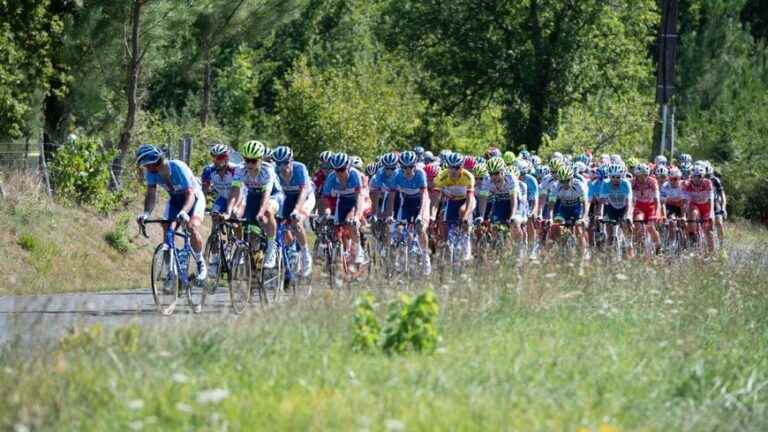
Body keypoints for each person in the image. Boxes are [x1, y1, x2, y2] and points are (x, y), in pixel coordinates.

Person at [135, 144, 207, 280]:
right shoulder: (151, 173)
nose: (145, 168)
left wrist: (185, 212)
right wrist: (146, 213)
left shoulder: (177, 167)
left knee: (191, 226)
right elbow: (151, 195)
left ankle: (200, 262)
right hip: (176, 199)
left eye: (146, 165)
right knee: (167, 227)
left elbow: (190, 195)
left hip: (194, 198)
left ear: (155, 162)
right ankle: (171, 270)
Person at [221, 140, 283, 268]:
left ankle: (272, 249)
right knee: (248, 228)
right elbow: (235, 191)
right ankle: (252, 262)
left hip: (273, 195)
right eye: (247, 160)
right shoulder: (240, 169)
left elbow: (266, 196)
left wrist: (260, 213)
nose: (249, 164)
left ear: (260, 159)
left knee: (266, 212)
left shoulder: (268, 170)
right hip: (253, 195)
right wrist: (229, 211)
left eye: (253, 161)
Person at [272, 146, 315, 276]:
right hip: (288, 197)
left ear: (291, 160)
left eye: (285, 162)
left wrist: (297, 210)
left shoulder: (299, 168)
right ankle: (292, 249)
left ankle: (305, 254)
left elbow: (304, 192)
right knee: (281, 224)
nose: (282, 166)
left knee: (296, 220)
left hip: (305, 196)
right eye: (279, 163)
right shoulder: (274, 171)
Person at [388, 151, 431, 274]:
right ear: (400, 167)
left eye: (411, 166)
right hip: (406, 202)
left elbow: (424, 196)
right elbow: (392, 197)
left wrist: (420, 215)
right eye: (405, 167)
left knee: (420, 227)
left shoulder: (420, 174)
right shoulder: (397, 175)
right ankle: (401, 260)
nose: (408, 170)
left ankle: (425, 256)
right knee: (399, 228)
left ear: (415, 165)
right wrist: (391, 214)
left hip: (421, 202)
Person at [320, 152, 367, 264]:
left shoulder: (355, 175)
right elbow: (325, 199)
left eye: (342, 169)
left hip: (354, 202)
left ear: (348, 167)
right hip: (342, 202)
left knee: (350, 222)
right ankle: (344, 251)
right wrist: (326, 211)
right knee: (336, 227)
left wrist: (357, 216)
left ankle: (358, 249)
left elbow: (359, 198)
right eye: (337, 170)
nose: (339, 173)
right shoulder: (331, 178)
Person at [431, 152, 476, 261]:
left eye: (456, 167)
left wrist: (466, 216)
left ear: (462, 167)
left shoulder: (468, 177)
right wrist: (432, 216)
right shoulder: (441, 177)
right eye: (451, 167)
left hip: (466, 201)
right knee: (444, 222)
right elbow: (436, 201)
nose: (453, 170)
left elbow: (470, 199)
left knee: (462, 212)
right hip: (452, 201)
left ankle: (466, 244)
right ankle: (447, 249)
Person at [201, 144, 243, 217]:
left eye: (220, 157)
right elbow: (204, 191)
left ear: (227, 158)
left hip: (237, 197)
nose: (216, 161)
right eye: (214, 157)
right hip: (222, 197)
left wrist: (229, 211)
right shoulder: (208, 170)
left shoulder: (235, 170)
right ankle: (216, 228)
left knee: (234, 216)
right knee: (215, 216)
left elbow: (235, 191)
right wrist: (202, 206)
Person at [631, 163, 661, 253]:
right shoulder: (632, 182)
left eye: (645, 175)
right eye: (641, 176)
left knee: (651, 227)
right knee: (638, 224)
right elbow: (631, 200)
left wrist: (658, 213)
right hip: (638, 207)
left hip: (650, 206)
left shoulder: (652, 181)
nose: (643, 178)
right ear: (637, 175)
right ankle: (642, 248)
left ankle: (658, 247)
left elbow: (657, 199)